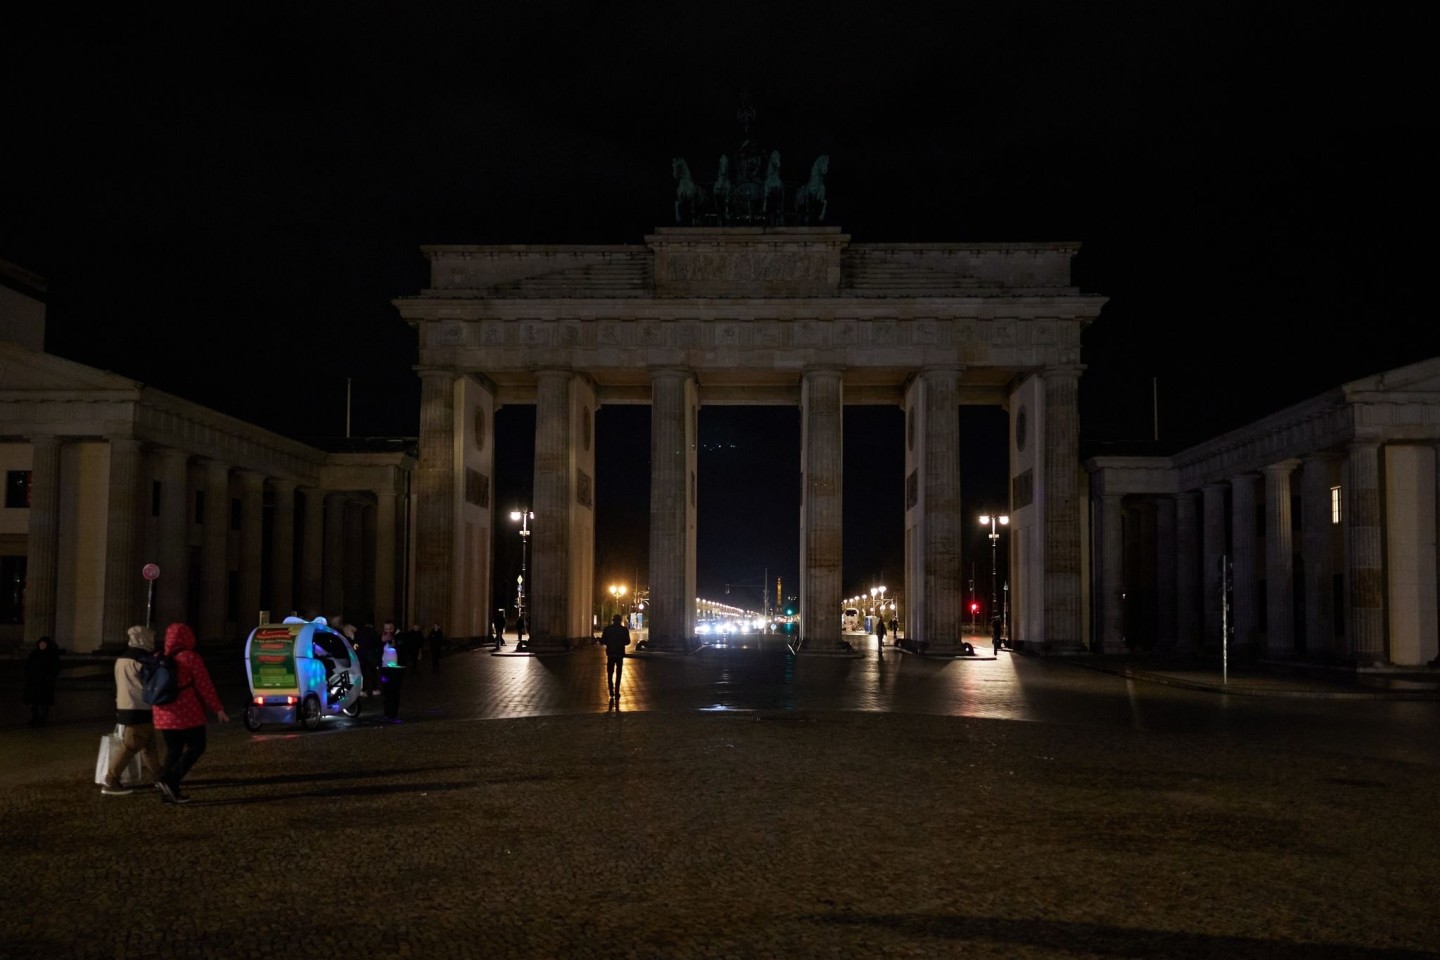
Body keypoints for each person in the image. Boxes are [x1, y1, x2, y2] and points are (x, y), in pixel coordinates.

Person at [152, 623, 228, 805]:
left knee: (174, 749)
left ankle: (169, 790)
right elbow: (204, 686)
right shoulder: (190, 658)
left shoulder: (158, 657)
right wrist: (217, 708)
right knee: (197, 746)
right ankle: (169, 780)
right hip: (187, 712)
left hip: (163, 712)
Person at [103, 625, 163, 795]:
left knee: (148, 745)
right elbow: (151, 684)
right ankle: (111, 779)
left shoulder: (122, 658)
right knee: (131, 745)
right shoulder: (144, 659)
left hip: (125, 704)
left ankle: (160, 776)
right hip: (139, 706)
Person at [23, 635, 62, 727]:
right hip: (34, 682)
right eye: (41, 644)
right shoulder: (35, 654)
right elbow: (28, 666)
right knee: (34, 702)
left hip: (45, 683)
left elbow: (55, 668)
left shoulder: (51, 655)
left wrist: (49, 677)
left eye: (44, 644)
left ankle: (42, 719)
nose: (42, 645)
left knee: (44, 702)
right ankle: (35, 717)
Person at [600, 613, 630, 701]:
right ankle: (617, 691)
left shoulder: (607, 629)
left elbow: (603, 641)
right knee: (619, 673)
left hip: (610, 653)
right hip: (620, 654)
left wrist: (608, 643)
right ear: (620, 621)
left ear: (613, 620)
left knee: (610, 672)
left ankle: (611, 690)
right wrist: (620, 643)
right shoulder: (624, 630)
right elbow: (628, 641)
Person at [353, 618, 382, 696]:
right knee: (373, 673)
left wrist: (357, 651)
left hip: (361, 654)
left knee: (362, 673)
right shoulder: (373, 632)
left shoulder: (359, 632)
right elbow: (377, 644)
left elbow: (355, 644)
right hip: (371, 654)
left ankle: (362, 689)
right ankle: (374, 689)